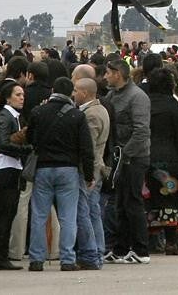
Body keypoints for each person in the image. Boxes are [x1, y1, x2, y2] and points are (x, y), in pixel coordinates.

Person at [26, 77, 93, 272]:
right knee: (68, 216)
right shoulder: (77, 116)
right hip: (68, 169)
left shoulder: (38, 112)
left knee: (39, 215)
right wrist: (88, 175)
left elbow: (31, 138)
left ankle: (36, 259)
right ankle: (67, 259)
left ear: (53, 89)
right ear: (71, 92)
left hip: (43, 168)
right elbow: (86, 149)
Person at [102, 57, 152, 265]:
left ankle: (141, 250)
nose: (105, 76)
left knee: (133, 203)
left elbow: (141, 130)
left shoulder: (137, 97)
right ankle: (121, 249)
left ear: (117, 74)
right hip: (119, 157)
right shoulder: (112, 95)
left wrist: (125, 155)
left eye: (108, 73)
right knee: (120, 205)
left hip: (134, 158)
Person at [144, 68, 178, 255]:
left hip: (147, 156)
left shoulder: (145, 103)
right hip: (170, 158)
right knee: (169, 197)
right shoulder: (173, 105)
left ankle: (151, 240)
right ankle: (171, 241)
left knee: (149, 197)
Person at [0, 81, 28, 271]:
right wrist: (27, 149)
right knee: (5, 213)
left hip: (11, 167)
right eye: (18, 95)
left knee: (7, 213)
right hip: (6, 168)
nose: (22, 98)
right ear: (8, 97)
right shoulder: (5, 116)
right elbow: (2, 144)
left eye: (22, 95)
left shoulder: (12, 116)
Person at [72, 77, 108, 270]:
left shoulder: (90, 115)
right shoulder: (99, 109)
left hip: (90, 171)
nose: (73, 93)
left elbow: (90, 148)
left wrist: (88, 175)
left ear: (85, 93)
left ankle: (90, 253)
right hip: (97, 168)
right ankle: (98, 250)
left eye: (76, 90)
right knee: (93, 212)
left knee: (83, 212)